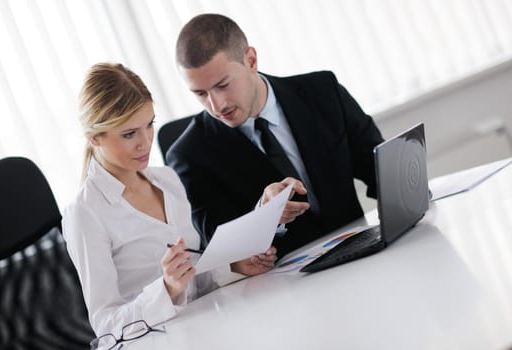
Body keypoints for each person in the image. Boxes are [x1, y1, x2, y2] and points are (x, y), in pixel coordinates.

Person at [62, 63, 279, 337]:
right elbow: (106, 326)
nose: (145, 142)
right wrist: (166, 289)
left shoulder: (167, 180)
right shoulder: (85, 213)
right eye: (129, 134)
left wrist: (233, 267)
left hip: (207, 328)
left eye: (149, 124)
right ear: (95, 138)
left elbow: (193, 282)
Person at [166, 13, 384, 258]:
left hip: (363, 252)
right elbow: (216, 245)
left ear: (251, 60)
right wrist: (264, 216)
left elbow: (379, 166)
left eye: (222, 85)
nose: (217, 106)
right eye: (200, 94)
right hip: (283, 283)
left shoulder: (323, 91)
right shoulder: (188, 155)